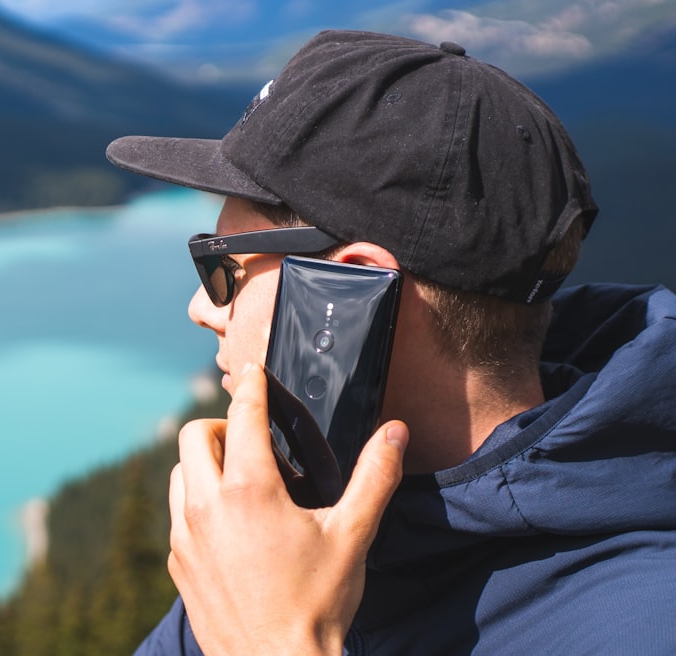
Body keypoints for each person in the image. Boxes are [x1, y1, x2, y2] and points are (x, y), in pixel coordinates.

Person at [105, 30, 676, 655]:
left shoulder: (642, 623)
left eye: (222, 268)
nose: (200, 309)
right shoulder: (272, 535)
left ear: (351, 283)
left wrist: (273, 642)